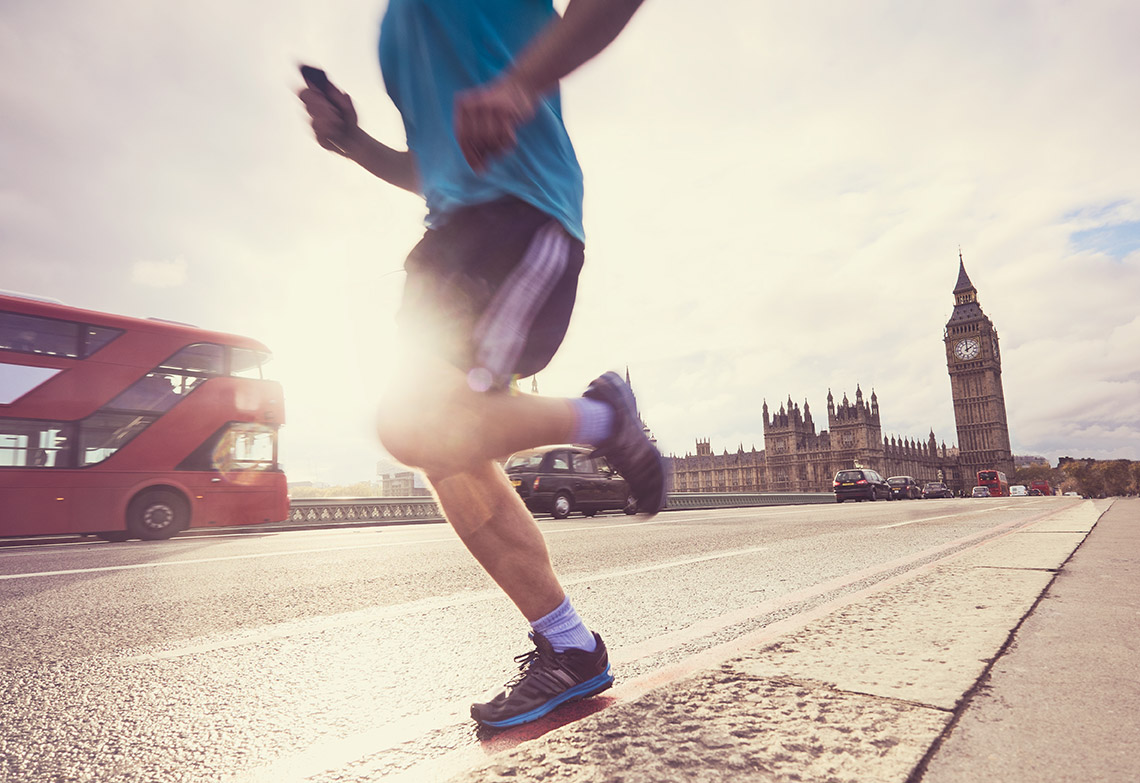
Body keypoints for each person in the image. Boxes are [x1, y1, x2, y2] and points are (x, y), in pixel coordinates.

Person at [298, 0, 662, 729]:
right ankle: (570, 648)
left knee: (414, 424)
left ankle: (604, 419)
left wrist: (522, 83)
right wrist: (354, 142)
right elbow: (433, 164)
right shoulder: (397, 30)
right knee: (445, 453)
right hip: (445, 244)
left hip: (521, 217)